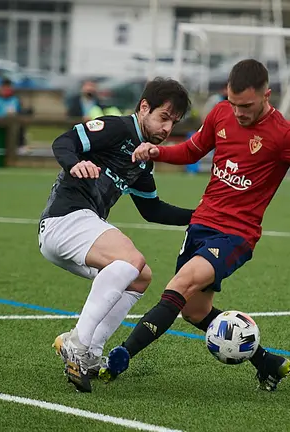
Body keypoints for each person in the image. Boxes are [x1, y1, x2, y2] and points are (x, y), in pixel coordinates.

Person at [100, 59, 290, 392]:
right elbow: (192, 151)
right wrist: (157, 153)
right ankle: (267, 362)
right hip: (201, 225)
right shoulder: (220, 113)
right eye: (233, 103)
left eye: (246, 106)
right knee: (193, 310)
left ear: (266, 95)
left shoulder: (284, 135)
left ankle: (119, 359)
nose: (239, 112)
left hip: (236, 235)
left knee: (179, 285)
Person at [39, 78, 195, 393]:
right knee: (132, 260)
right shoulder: (118, 128)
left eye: (173, 123)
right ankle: (77, 343)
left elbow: (153, 211)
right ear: (144, 107)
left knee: (141, 276)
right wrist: (75, 164)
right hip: (64, 219)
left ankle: (91, 353)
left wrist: (204, 216)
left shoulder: (143, 162)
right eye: (163, 117)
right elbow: (63, 142)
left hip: (76, 229)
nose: (167, 128)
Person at [0, 77, 30, 154]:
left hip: (12, 121)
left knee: (20, 125)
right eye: (4, 86)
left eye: (8, 86)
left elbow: (20, 111)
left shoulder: (15, 99)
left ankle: (21, 146)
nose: (6, 89)